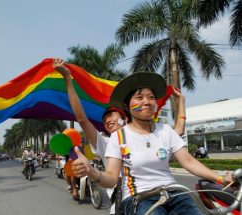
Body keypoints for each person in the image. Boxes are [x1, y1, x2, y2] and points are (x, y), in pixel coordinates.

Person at [72, 72, 233, 215]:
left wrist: (219, 178)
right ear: (127, 106)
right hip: (139, 198)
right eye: (139, 97)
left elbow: (188, 161)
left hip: (175, 193)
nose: (147, 102)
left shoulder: (166, 130)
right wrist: (91, 171)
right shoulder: (119, 137)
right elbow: (111, 179)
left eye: (151, 97)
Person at [53, 59, 186, 214]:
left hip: (162, 198)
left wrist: (181, 102)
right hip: (126, 204)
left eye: (112, 116)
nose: (108, 120)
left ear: (125, 116)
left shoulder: (153, 133)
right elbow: (82, 119)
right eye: (105, 120)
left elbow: (179, 130)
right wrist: (68, 79)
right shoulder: (106, 142)